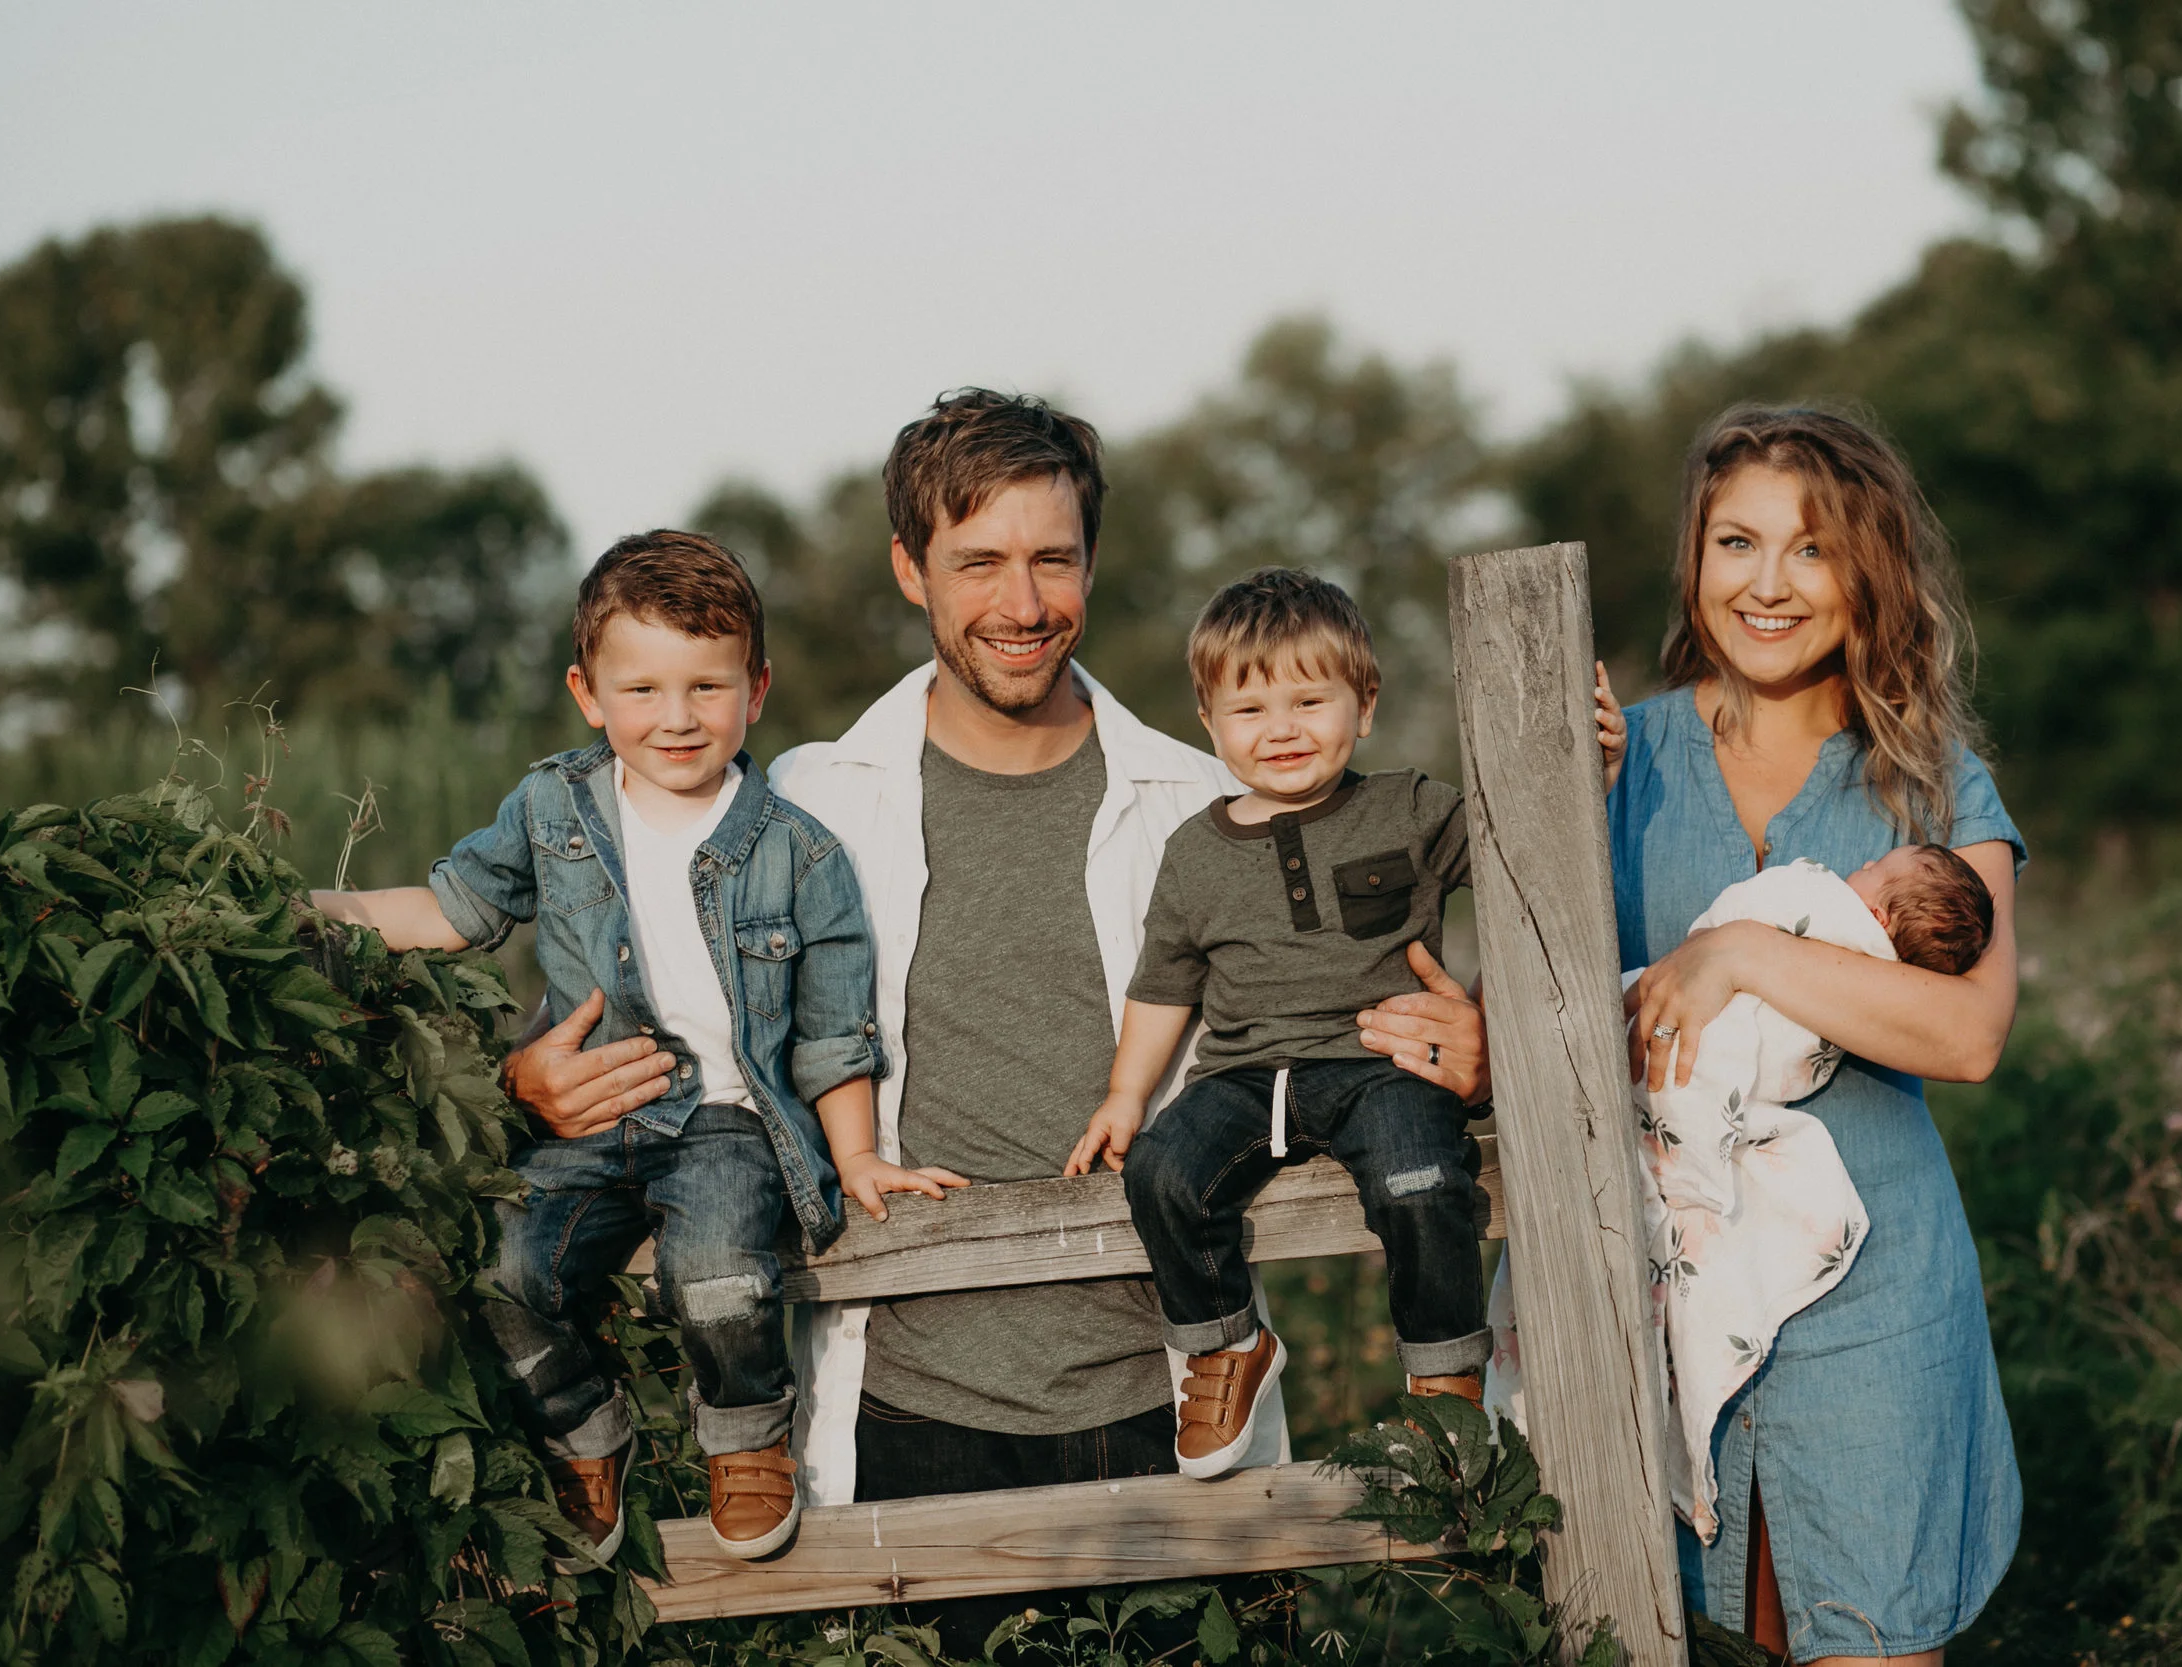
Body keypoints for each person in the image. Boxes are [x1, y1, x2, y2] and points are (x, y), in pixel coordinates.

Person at [490, 392, 1493, 1536]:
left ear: (1092, 562)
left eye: (1052, 559)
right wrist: (530, 1080)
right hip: (904, 1404)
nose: (1022, 605)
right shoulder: (798, 807)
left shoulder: (1208, 803)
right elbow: (636, 978)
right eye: (979, 562)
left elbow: (1341, 1028)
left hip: (1163, 1397)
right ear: (910, 567)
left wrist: (1478, 1054)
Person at [311, 534, 951, 1566]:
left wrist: (860, 1154)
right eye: (642, 686)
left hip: (727, 1119)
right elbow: (452, 907)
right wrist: (317, 910)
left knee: (718, 1272)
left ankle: (745, 1435)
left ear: (756, 688)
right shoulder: (553, 808)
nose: (677, 715)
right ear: (588, 693)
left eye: (707, 684)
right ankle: (582, 1426)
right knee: (504, 1266)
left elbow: (836, 1035)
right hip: (593, 1109)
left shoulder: (800, 850)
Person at [1609, 406, 2025, 1665]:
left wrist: (1746, 951)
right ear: (1693, 557)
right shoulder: (1621, 754)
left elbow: (1966, 1034)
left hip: (1874, 1287)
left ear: (1868, 571)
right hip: (1659, 1285)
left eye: (1811, 549)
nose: (1768, 584)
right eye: (1736, 541)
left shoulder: (1932, 777)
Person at [1066, 569, 1489, 1478]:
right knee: (1165, 1171)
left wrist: (1494, 1014)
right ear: (1210, 721)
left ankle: (1445, 1379)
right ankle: (1226, 1345)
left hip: (1383, 1059)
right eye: (1251, 708)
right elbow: (1164, 982)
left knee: (1423, 1181)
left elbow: (1527, 871)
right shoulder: (1194, 851)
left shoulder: (1410, 806)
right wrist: (1124, 1094)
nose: (1283, 728)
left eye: (1310, 699)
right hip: (1245, 1076)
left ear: (1364, 705)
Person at [1488, 843, 1994, 1547]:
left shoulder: (1822, 903)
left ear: (1875, 911)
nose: (1857, 867)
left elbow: (1748, 913)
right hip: (1745, 1083)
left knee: (1636, 1044)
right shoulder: (1872, 966)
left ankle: (1679, 1158)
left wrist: (1733, 947)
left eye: (1876, 869)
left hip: (1729, 1070)